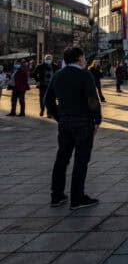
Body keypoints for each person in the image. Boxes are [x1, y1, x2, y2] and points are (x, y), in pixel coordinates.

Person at [46, 46, 102, 210]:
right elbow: (92, 99)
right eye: (84, 57)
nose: (85, 60)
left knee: (62, 159)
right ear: (79, 58)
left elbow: (48, 100)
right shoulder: (85, 75)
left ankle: (56, 195)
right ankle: (77, 198)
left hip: (65, 123)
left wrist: (59, 117)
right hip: (83, 123)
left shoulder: (58, 75)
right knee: (81, 160)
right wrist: (97, 119)